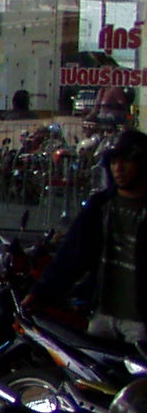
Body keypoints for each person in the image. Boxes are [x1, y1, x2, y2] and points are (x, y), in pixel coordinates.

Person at [35, 128, 147, 342]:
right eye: (114, 162)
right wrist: (42, 291)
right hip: (103, 314)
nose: (119, 168)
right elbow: (73, 254)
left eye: (127, 162)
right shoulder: (101, 206)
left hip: (139, 322)